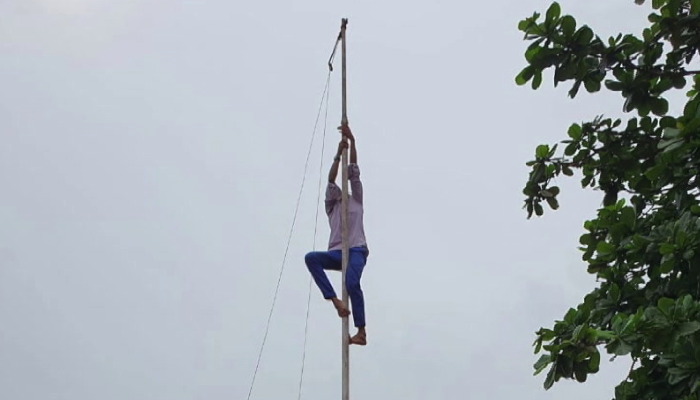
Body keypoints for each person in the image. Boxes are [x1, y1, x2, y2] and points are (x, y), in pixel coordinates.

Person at [304, 123, 369, 346]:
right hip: (337, 253)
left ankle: (361, 331)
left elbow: (353, 169)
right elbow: (331, 180)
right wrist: (337, 155)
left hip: (357, 250)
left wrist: (352, 142)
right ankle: (335, 302)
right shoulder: (332, 207)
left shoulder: (356, 200)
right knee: (311, 258)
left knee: (352, 282)